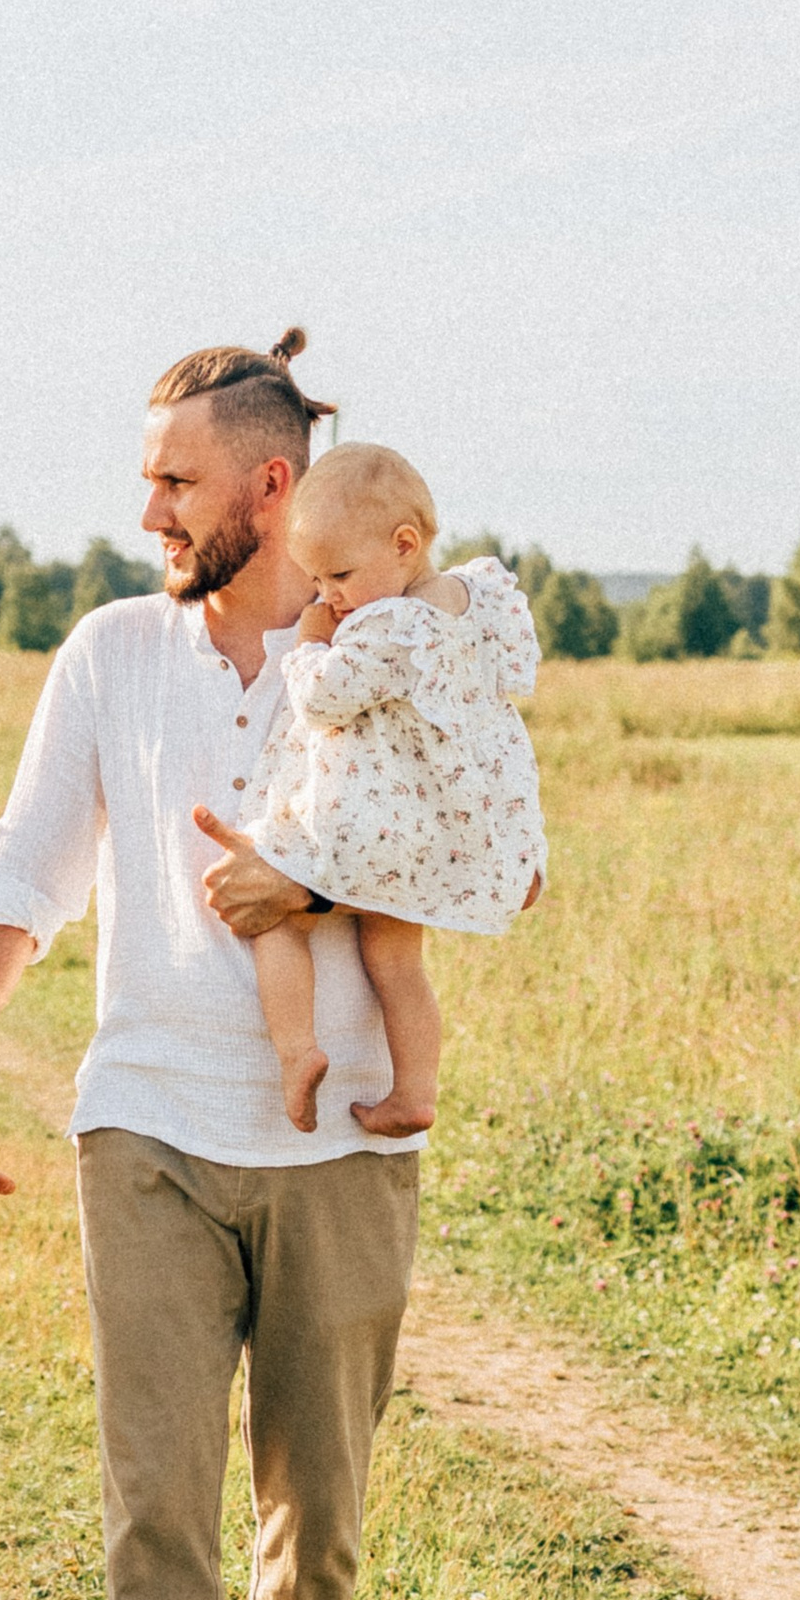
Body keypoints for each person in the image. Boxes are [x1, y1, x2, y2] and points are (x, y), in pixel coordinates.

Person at [0, 329, 431, 1600]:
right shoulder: (114, 654)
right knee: (156, 1495)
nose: (149, 511)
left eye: (175, 481)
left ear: (272, 487)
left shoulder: (393, 652)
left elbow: (495, 862)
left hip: (340, 1138)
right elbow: (27, 866)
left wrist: (312, 887)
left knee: (317, 1501)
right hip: (147, 1121)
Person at [243, 443, 546, 1138]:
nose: (328, 597)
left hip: (374, 822)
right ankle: (414, 1093)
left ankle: (297, 1051)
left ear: (404, 545)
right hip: (438, 824)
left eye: (340, 575)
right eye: (316, 581)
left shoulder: (392, 627)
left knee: (273, 914)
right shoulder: (476, 600)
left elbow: (323, 699)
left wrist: (309, 645)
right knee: (396, 959)